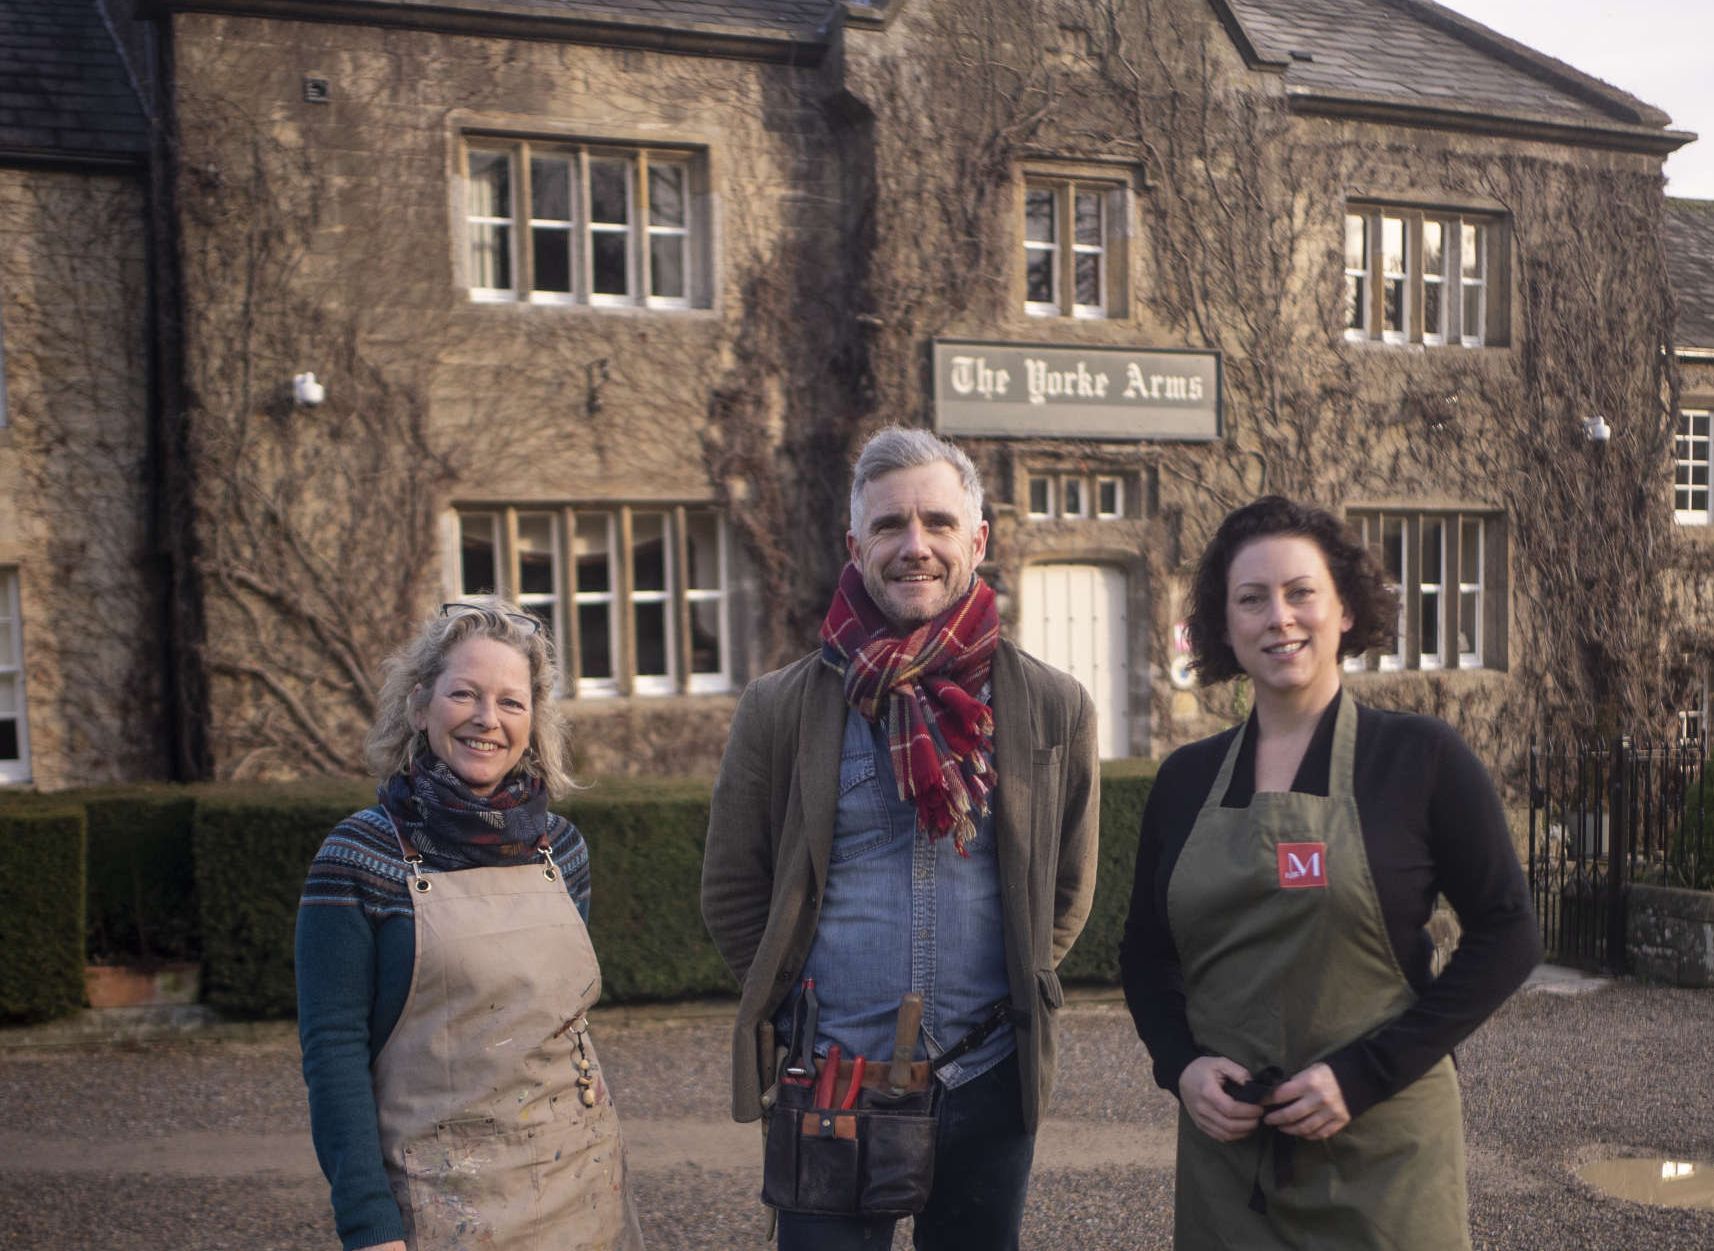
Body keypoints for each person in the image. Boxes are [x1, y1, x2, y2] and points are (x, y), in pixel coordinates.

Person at [702, 425, 1100, 1251]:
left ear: (978, 540)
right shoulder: (780, 709)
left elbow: (1066, 887)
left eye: (939, 523)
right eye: (889, 526)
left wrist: (1016, 994)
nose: (914, 546)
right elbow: (733, 890)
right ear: (856, 543)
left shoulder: (1055, 707)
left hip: (988, 1079)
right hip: (835, 1084)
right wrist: (798, 1012)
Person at [1120, 496, 1541, 1250]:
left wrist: (1366, 1074)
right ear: (1224, 627)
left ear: (1344, 609)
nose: (1279, 617)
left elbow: (1509, 934)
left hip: (1384, 1159)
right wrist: (1180, 1068)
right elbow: (1146, 957)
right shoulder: (1184, 780)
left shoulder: (1421, 759)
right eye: (1251, 600)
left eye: (1300, 592)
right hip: (1231, 1170)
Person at [296, 600, 643, 1251]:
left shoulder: (560, 849)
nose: (488, 720)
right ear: (420, 706)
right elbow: (333, 1057)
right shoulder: (357, 859)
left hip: (581, 1184)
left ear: (533, 722)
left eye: (512, 703)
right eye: (465, 695)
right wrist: (369, 1227)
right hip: (440, 1208)